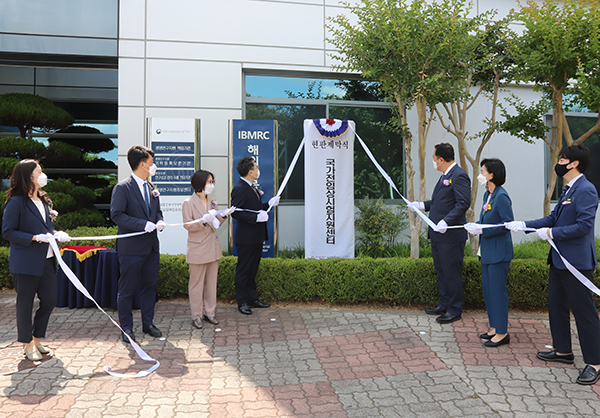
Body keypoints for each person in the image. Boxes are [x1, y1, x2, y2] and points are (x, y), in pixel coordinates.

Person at [506, 144, 600, 385]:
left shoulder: (586, 190)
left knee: (584, 312)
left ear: (573, 163)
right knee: (556, 306)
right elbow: (552, 218)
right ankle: (563, 351)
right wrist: (524, 225)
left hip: (576, 263)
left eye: (562, 159)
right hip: (559, 260)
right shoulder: (569, 189)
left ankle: (595, 362)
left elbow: (583, 226)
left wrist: (551, 232)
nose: (558, 162)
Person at [2, 160, 70, 361]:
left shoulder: (44, 200)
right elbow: (8, 231)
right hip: (25, 261)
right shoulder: (16, 202)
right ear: (29, 176)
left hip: (47, 259)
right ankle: (27, 342)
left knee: (50, 300)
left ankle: (36, 336)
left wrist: (55, 233)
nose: (43, 175)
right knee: (25, 303)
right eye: (39, 171)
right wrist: (33, 238)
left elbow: (45, 227)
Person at [408, 143, 471, 324]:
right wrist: (421, 205)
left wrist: (446, 221)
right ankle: (444, 304)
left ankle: (454, 309)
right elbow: (439, 202)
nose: (433, 162)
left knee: (451, 272)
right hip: (438, 235)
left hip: (450, 235)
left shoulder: (458, 176)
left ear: (441, 159)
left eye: (434, 159)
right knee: (441, 271)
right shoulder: (445, 175)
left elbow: (462, 203)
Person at [110, 145, 166, 343]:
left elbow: (156, 211)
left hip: (151, 246)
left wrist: (159, 220)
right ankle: (126, 328)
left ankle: (148, 323)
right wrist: (143, 224)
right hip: (131, 249)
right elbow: (117, 215)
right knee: (126, 289)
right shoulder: (123, 188)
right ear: (142, 164)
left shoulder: (151, 188)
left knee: (149, 287)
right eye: (151, 162)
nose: (154, 166)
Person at [465, 158, 514, 347]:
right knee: (489, 292)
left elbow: (506, 224)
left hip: (499, 253)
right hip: (486, 252)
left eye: (483, 171)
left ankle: (502, 332)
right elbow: (486, 221)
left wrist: (482, 230)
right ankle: (494, 327)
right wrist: (475, 226)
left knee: (498, 292)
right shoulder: (488, 195)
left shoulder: (501, 196)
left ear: (491, 175)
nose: (480, 175)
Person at [182, 170, 234, 329]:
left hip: (212, 246)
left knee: (211, 283)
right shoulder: (188, 202)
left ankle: (210, 313)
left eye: (212, 181)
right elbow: (187, 225)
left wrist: (225, 215)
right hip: (198, 248)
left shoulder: (212, 200)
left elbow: (217, 221)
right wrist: (203, 222)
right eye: (208, 182)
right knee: (196, 284)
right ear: (199, 183)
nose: (211, 185)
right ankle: (196, 315)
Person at [230, 156, 280, 315]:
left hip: (256, 236)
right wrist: (256, 217)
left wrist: (269, 204)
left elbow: (254, 207)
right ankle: (242, 301)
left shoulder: (251, 186)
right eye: (256, 168)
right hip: (246, 237)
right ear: (251, 172)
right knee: (243, 270)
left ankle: (252, 298)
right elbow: (236, 212)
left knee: (252, 270)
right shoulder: (239, 188)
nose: (258, 170)